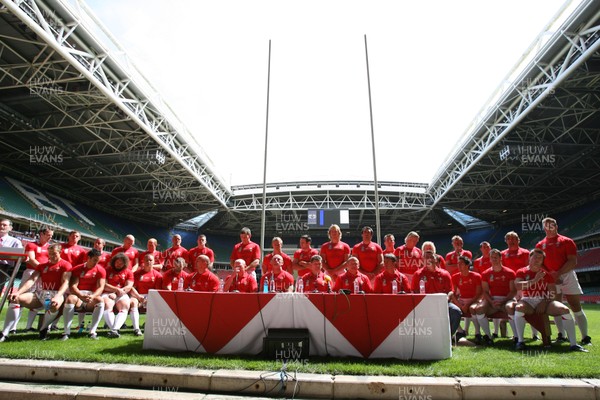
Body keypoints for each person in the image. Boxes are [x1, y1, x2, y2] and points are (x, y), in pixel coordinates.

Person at [513, 248, 587, 352]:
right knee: (519, 308)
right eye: (535, 257)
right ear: (530, 258)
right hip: (528, 300)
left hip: (544, 299)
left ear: (542, 261)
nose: (537, 260)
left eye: (540, 258)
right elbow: (517, 286)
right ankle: (520, 342)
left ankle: (573, 344)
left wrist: (544, 301)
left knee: (565, 310)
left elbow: (552, 292)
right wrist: (534, 280)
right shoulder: (522, 271)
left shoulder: (546, 274)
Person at [536, 217, 591, 345]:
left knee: (575, 305)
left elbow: (572, 261)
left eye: (552, 225)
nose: (549, 228)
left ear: (556, 226)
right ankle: (561, 335)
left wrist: (558, 273)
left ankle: (585, 337)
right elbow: (540, 263)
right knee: (556, 306)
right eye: (547, 226)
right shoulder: (540, 245)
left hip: (567, 275)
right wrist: (551, 275)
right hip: (550, 278)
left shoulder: (566, 241)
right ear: (544, 228)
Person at [0, 243, 71, 341]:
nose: (51, 256)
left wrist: (58, 296)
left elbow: (66, 282)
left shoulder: (65, 265)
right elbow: (31, 280)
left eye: (54, 254)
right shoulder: (42, 266)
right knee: (15, 298)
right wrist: (18, 292)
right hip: (40, 293)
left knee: (53, 305)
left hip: (55, 294)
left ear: (60, 252)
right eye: (50, 254)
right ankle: (5, 333)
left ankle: (43, 329)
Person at [412, 250, 461, 337]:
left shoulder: (444, 274)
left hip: (441, 303)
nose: (429, 259)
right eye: (426, 257)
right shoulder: (418, 274)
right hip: (424, 304)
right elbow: (414, 291)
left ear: (436, 259)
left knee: (456, 311)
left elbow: (450, 291)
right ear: (423, 260)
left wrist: (447, 298)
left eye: (431, 257)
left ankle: (447, 337)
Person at [61, 249, 106, 340]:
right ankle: (66, 332)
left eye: (98, 261)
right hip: (79, 295)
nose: (96, 263)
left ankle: (92, 332)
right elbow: (73, 286)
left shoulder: (101, 270)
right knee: (70, 299)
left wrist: (93, 296)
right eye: (94, 260)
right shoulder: (78, 269)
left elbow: (101, 287)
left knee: (100, 300)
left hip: (91, 297)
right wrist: (80, 296)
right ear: (88, 258)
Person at [475, 249, 517, 342]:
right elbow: (485, 292)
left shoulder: (510, 272)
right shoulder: (485, 273)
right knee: (479, 309)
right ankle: (488, 337)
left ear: (500, 258)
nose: (494, 259)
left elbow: (513, 291)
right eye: (492, 258)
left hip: (507, 299)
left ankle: (517, 337)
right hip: (492, 299)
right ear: (489, 259)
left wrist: (503, 301)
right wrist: (492, 302)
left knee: (510, 307)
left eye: (496, 257)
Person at [19, 226, 54, 332]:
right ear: (41, 234)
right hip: (31, 273)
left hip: (43, 276)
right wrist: (43, 269)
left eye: (51, 236)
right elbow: (31, 259)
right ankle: (12, 328)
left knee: (38, 299)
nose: (50, 238)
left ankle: (28, 327)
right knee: (20, 298)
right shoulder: (31, 245)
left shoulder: (50, 248)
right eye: (48, 235)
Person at [501, 231, 535, 339]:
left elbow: (529, 269)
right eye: (509, 238)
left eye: (514, 238)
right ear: (506, 241)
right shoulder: (502, 254)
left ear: (518, 240)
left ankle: (535, 334)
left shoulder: (525, 253)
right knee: (512, 309)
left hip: (524, 285)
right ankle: (517, 335)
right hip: (510, 287)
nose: (512, 241)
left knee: (530, 309)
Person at [449, 256, 483, 343]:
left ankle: (477, 333)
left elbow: (479, 293)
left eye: (461, 263)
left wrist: (467, 304)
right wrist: (460, 305)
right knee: (451, 309)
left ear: (467, 265)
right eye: (458, 263)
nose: (459, 265)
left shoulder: (476, 276)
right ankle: (460, 331)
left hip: (474, 300)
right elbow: (454, 292)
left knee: (473, 308)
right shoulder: (455, 277)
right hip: (462, 300)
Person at [129, 253, 163, 336]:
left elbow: (157, 291)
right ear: (143, 261)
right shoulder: (137, 274)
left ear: (154, 262)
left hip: (151, 296)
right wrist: (138, 297)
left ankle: (150, 325)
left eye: (150, 260)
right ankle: (136, 329)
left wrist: (149, 298)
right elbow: (131, 287)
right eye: (146, 260)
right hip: (138, 295)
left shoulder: (158, 275)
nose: (148, 262)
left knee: (156, 304)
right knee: (133, 302)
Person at [103, 252, 134, 338]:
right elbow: (104, 285)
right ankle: (114, 329)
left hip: (121, 293)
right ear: (113, 262)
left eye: (121, 263)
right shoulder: (107, 270)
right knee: (107, 304)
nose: (118, 265)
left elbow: (129, 286)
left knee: (125, 305)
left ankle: (114, 330)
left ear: (125, 263)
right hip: (108, 293)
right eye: (117, 262)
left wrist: (117, 292)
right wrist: (115, 290)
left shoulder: (128, 272)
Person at [0, 219, 23, 287]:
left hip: (3, 268)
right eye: (0, 224)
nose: (1, 226)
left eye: (4, 225)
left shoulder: (15, 242)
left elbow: (21, 255)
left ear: (10, 228)